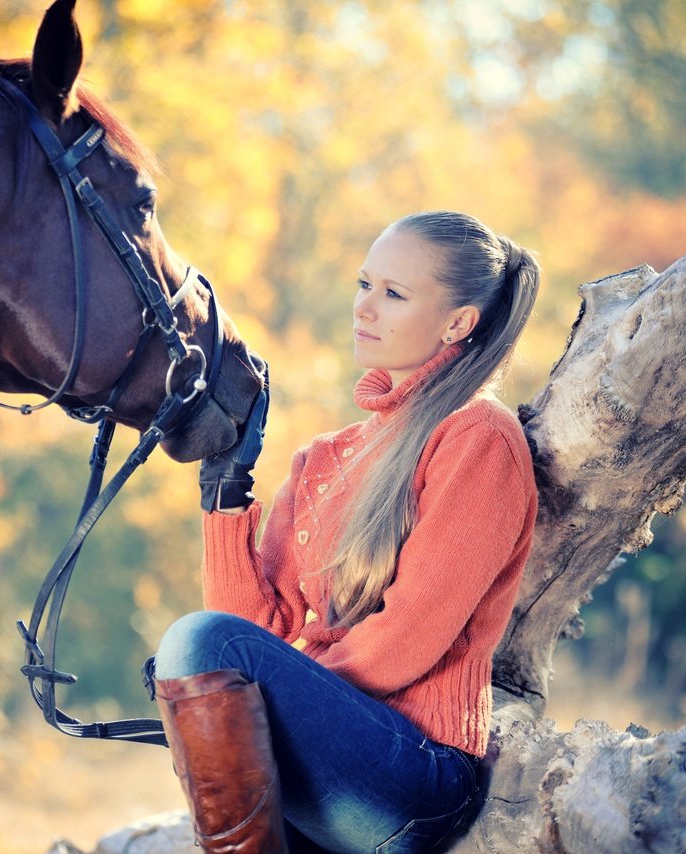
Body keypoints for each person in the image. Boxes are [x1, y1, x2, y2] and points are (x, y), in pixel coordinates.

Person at [152, 210, 540, 853]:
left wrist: (277, 695)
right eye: (365, 285)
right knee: (203, 649)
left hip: (419, 773)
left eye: (393, 294)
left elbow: (410, 633)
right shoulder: (326, 457)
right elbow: (257, 626)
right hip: (334, 761)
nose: (365, 308)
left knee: (200, 644)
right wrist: (225, 488)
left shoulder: (478, 439)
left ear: (459, 323)